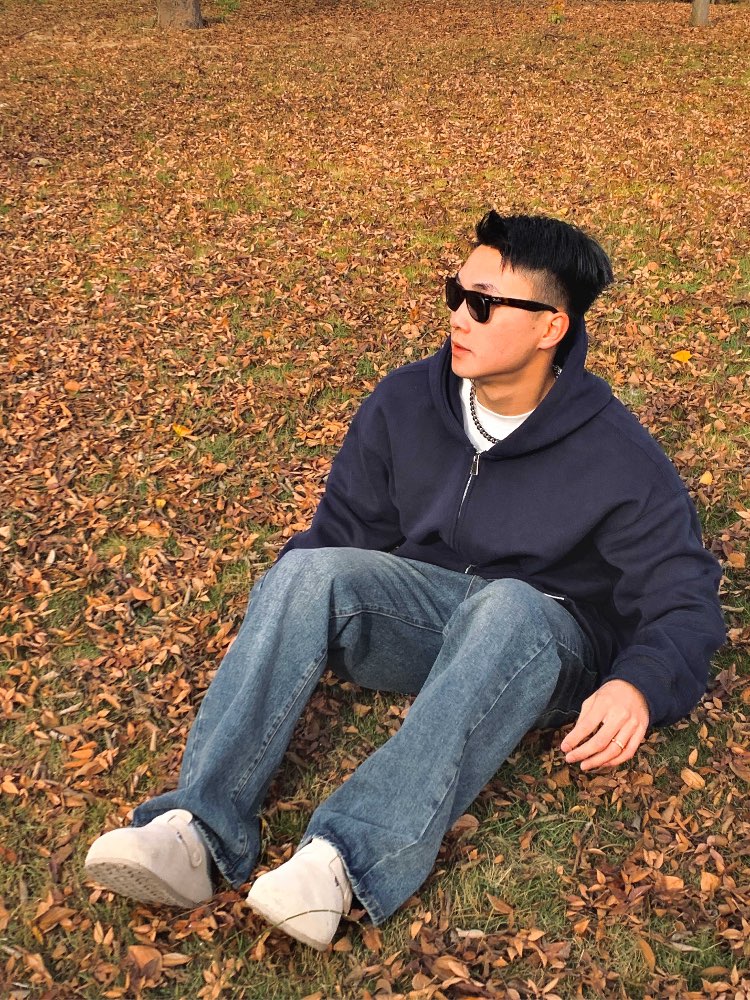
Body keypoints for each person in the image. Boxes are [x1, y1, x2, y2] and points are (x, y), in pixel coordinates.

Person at [84, 212, 725, 950]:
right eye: (456, 293)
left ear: (551, 327)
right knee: (305, 569)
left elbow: (684, 598)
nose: (459, 316)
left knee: (509, 606)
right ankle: (196, 831)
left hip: (544, 648)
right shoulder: (405, 402)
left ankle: (343, 863)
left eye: (483, 304)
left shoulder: (617, 455)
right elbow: (340, 537)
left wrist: (638, 684)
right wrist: (289, 608)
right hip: (433, 622)